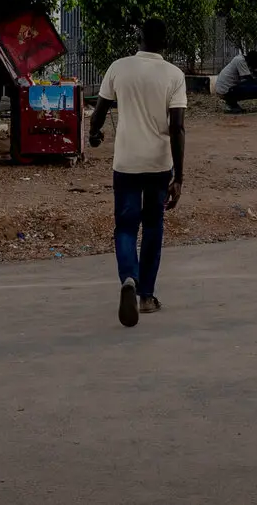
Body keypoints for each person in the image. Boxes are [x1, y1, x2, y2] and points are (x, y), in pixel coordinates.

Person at [88, 18, 187, 327]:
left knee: (126, 226)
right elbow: (177, 127)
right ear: (166, 43)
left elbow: (99, 112)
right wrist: (179, 177)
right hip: (159, 165)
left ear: (139, 37)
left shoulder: (119, 68)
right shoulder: (174, 75)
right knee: (154, 226)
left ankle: (129, 278)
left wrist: (94, 135)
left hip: (126, 163)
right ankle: (146, 296)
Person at [210, 48, 257, 113]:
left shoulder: (243, 59)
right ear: (251, 62)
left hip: (226, 89)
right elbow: (249, 80)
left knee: (254, 86)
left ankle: (233, 104)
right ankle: (230, 104)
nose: (253, 68)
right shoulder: (241, 61)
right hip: (226, 91)